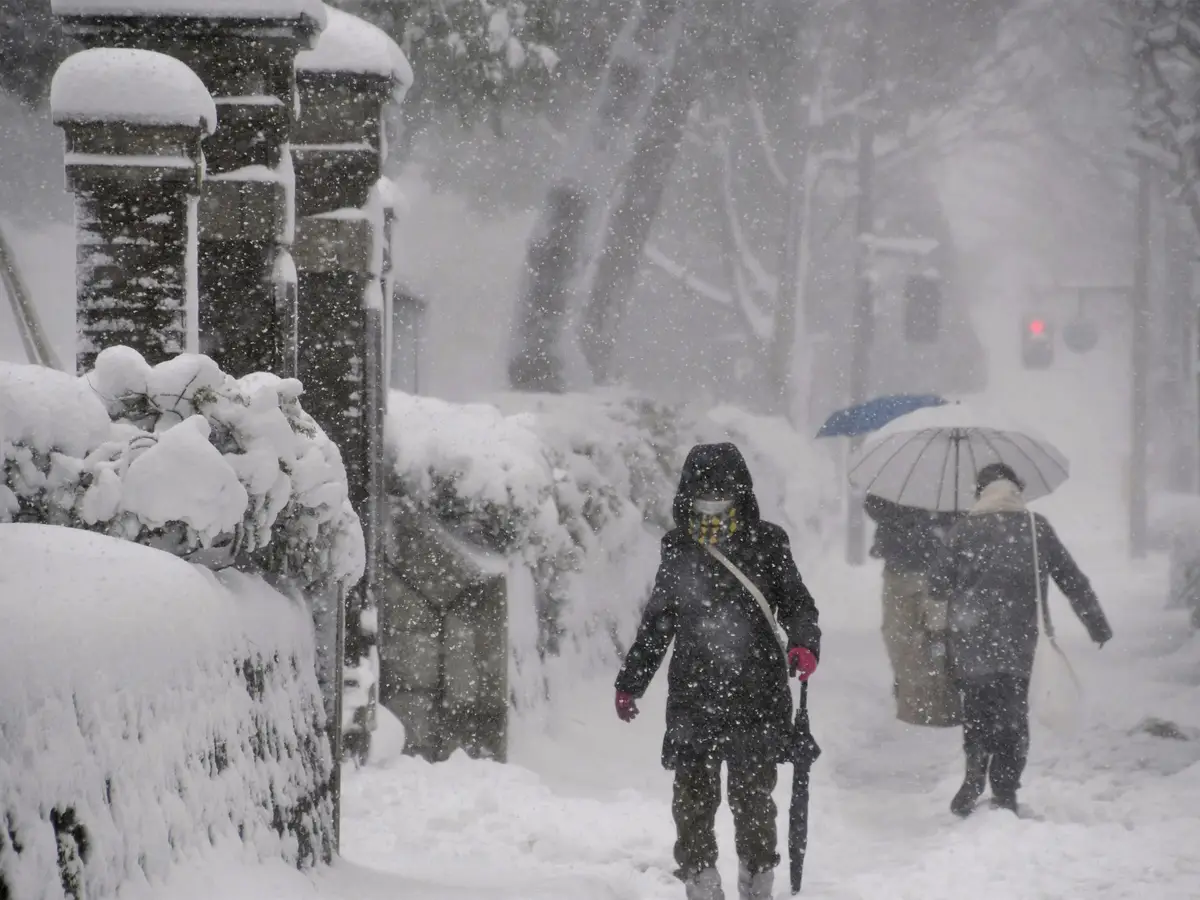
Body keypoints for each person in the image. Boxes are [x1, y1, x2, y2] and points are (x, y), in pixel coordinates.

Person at [614, 443, 821, 900]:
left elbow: (796, 603)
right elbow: (659, 622)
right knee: (692, 800)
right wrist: (631, 681)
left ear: (741, 492)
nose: (712, 502)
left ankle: (757, 883)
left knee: (753, 800)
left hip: (758, 694)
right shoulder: (679, 548)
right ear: (688, 493)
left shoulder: (768, 542)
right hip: (694, 694)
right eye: (704, 492)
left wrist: (805, 642)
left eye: (721, 492)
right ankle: (702, 884)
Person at [930, 463, 1113, 817]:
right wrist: (1096, 624)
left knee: (978, 712)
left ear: (981, 491)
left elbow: (937, 585)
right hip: (1020, 643)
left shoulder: (963, 530)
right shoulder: (1035, 527)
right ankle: (1005, 791)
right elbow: (1071, 579)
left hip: (971, 641)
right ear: (1017, 489)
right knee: (1012, 718)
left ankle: (974, 773)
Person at [864, 495, 962, 727]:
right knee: (898, 635)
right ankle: (911, 694)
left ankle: (942, 705)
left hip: (943, 567)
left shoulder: (955, 472)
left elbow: (969, 512)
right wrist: (907, 517)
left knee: (941, 637)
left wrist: (943, 519)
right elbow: (873, 504)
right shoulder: (900, 473)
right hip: (900, 565)